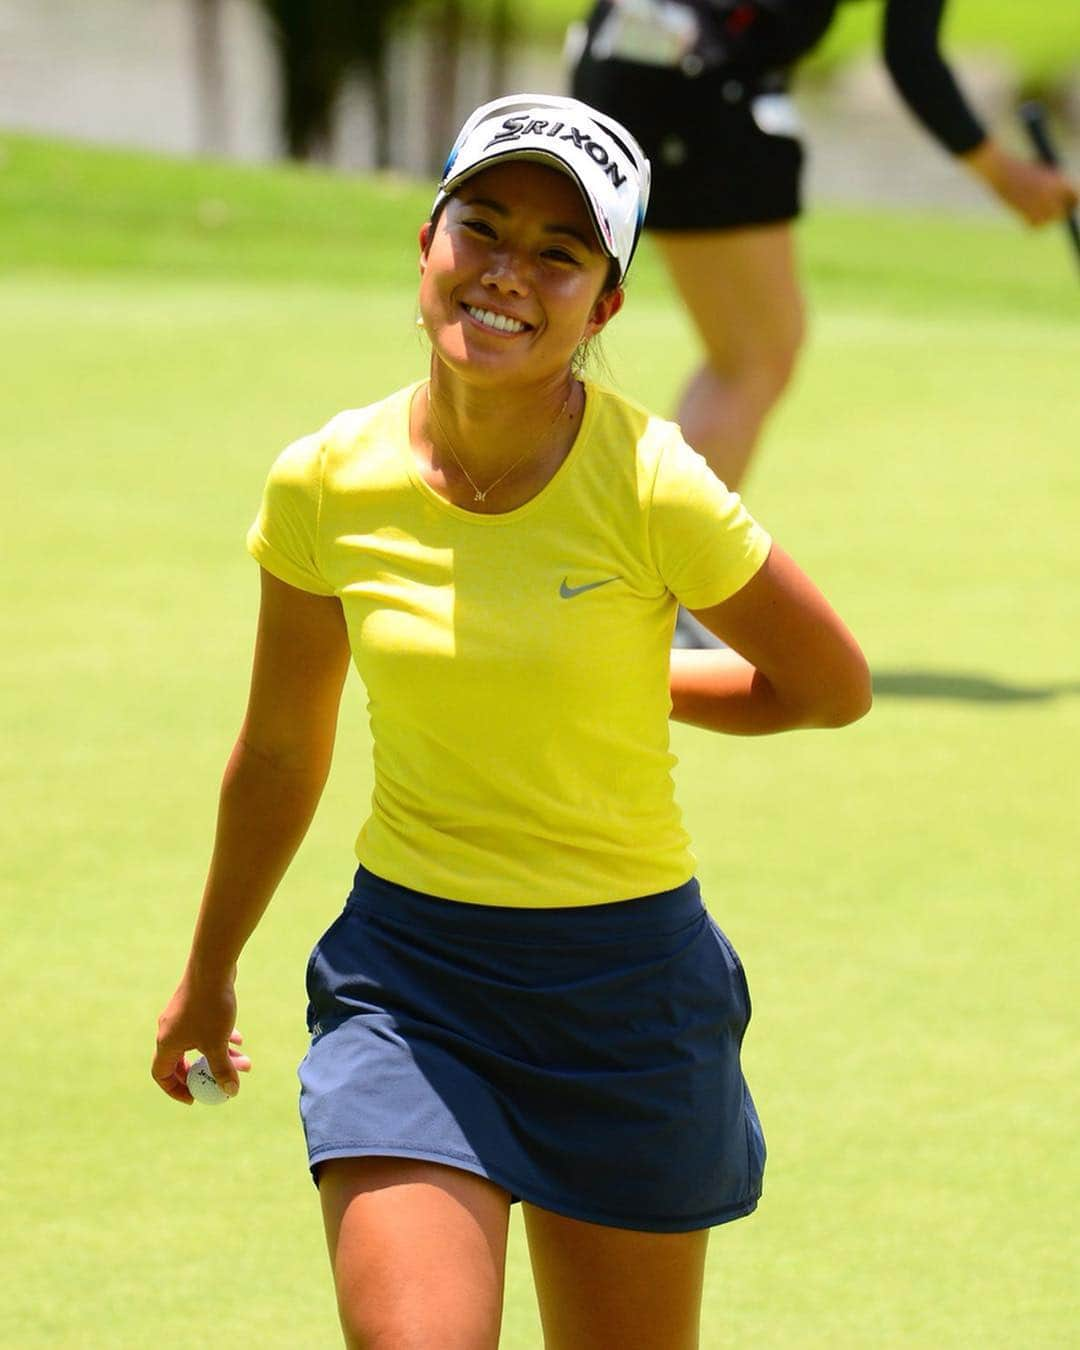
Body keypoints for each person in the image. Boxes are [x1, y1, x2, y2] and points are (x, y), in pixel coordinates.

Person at [152, 93, 871, 1350]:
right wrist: (208, 974)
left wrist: (613, 677)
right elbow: (278, 748)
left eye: (559, 254)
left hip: (627, 991)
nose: (506, 274)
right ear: (426, 240)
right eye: (481, 228)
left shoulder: (656, 485)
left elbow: (828, 686)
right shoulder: (324, 480)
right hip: (410, 984)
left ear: (605, 307)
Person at [571, 0, 1079, 499]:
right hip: (701, 82)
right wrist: (1001, 172)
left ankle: (610, 549)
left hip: (613, 54)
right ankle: (649, 567)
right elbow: (911, 53)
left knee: (737, 352)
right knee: (753, 357)